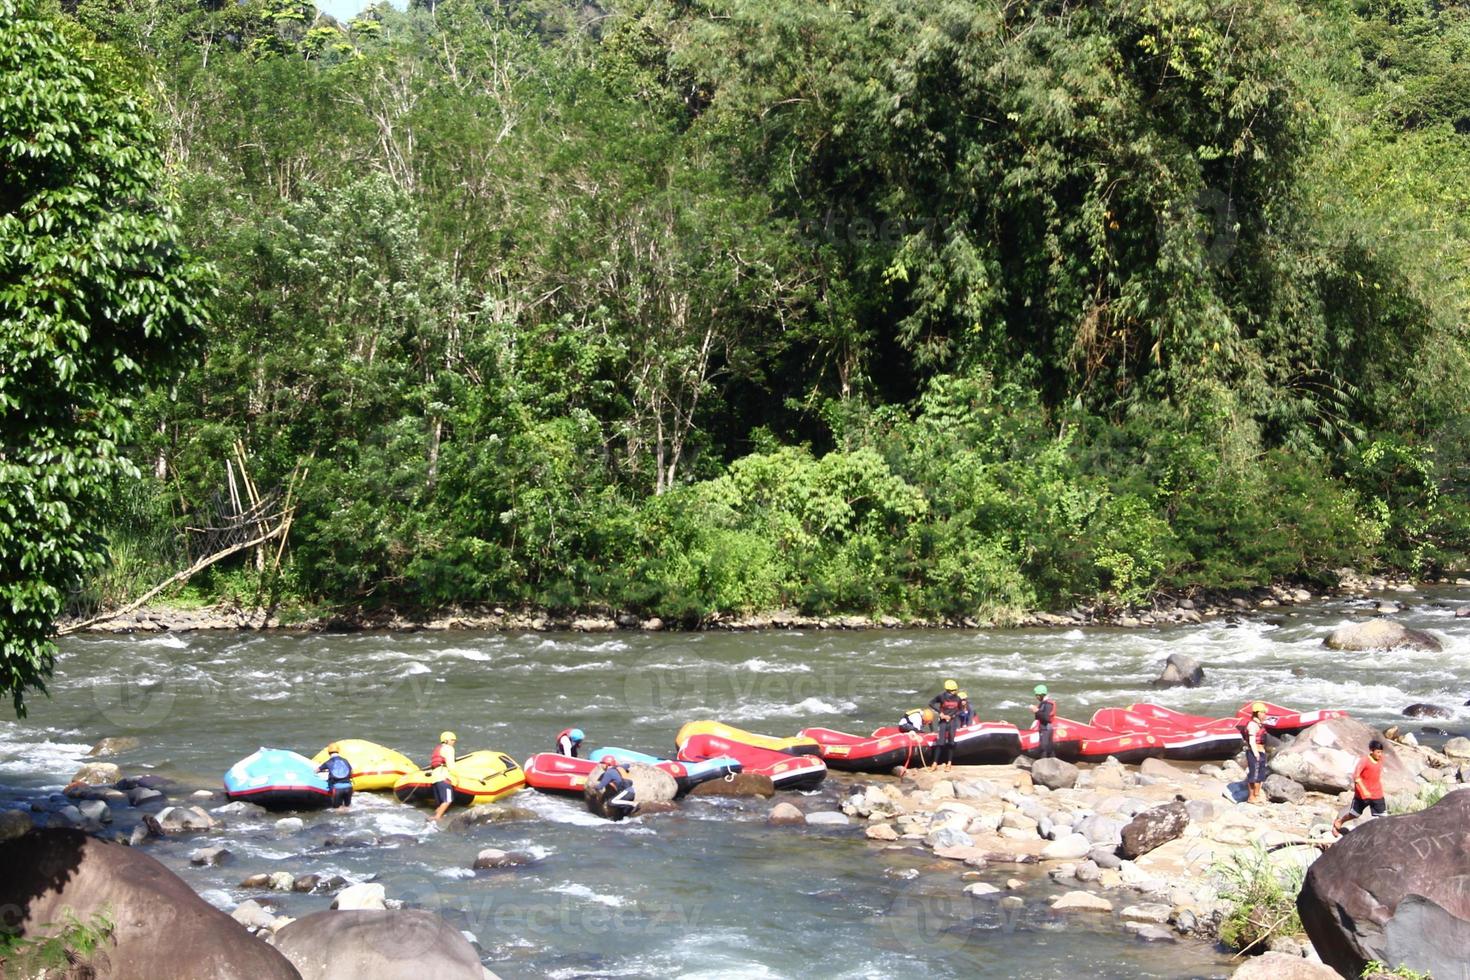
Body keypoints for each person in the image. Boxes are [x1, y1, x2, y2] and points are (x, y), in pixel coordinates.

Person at [1333, 740, 1387, 837]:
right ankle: (1339, 822)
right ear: (1371, 751)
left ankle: (1381, 836)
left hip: (1377, 794)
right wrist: (1364, 790)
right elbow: (1356, 777)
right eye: (1378, 752)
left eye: (1381, 752)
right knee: (1354, 814)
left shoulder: (1380, 759)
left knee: (1383, 817)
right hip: (1362, 795)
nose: (1380, 754)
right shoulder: (1364, 761)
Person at [927, 680, 964, 771]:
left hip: (952, 722)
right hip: (943, 722)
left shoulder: (958, 698)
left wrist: (952, 716)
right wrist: (941, 713)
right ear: (948, 690)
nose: (955, 692)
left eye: (955, 690)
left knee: (951, 742)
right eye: (953, 690)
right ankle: (934, 763)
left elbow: (960, 709)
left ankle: (949, 763)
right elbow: (931, 703)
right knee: (940, 742)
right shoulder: (941, 696)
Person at [428, 730, 458, 823]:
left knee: (441, 802)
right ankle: (437, 817)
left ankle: (435, 815)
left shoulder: (439, 748)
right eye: (453, 740)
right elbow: (451, 766)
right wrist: (457, 777)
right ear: (447, 740)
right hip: (443, 776)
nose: (454, 742)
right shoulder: (449, 749)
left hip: (435, 778)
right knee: (448, 800)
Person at [1243, 702, 1269, 805]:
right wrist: (1256, 754)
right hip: (1255, 752)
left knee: (1260, 775)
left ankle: (1257, 795)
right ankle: (1251, 797)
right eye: (1263, 712)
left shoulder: (1259, 724)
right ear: (1257, 713)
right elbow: (1252, 741)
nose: (1264, 715)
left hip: (1261, 751)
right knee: (1254, 775)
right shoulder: (1252, 725)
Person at [316, 743, 354, 810]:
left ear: (329, 752)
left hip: (337, 789)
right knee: (347, 808)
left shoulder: (328, 762)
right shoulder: (345, 761)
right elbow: (351, 773)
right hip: (349, 787)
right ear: (338, 751)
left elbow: (317, 770)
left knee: (337, 810)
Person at [1032, 685, 1056, 759]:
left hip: (1046, 728)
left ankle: (1044, 766)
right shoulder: (1045, 703)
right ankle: (1051, 763)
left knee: (1044, 747)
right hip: (1046, 728)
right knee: (1048, 747)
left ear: (1041, 695)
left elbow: (1046, 718)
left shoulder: (1047, 704)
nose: (1036, 697)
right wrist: (1037, 711)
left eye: (1037, 695)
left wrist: (1037, 711)